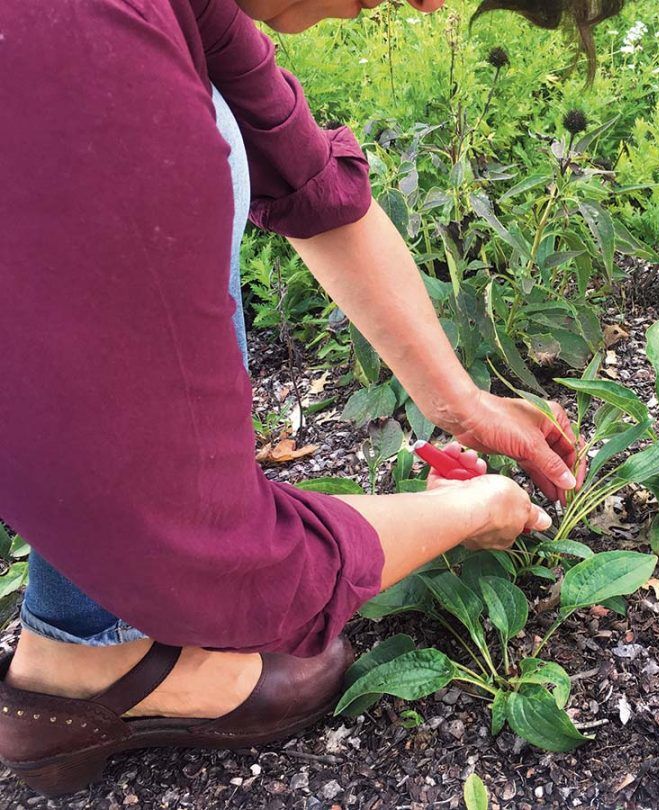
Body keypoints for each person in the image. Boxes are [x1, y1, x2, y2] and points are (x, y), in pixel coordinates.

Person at [0, 0, 621, 796]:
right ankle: (93, 660)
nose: (431, 3)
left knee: (222, 120)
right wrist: (471, 511)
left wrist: (463, 401)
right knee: (201, 141)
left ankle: (81, 634)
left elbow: (308, 178)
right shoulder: (89, 61)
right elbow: (216, 556)